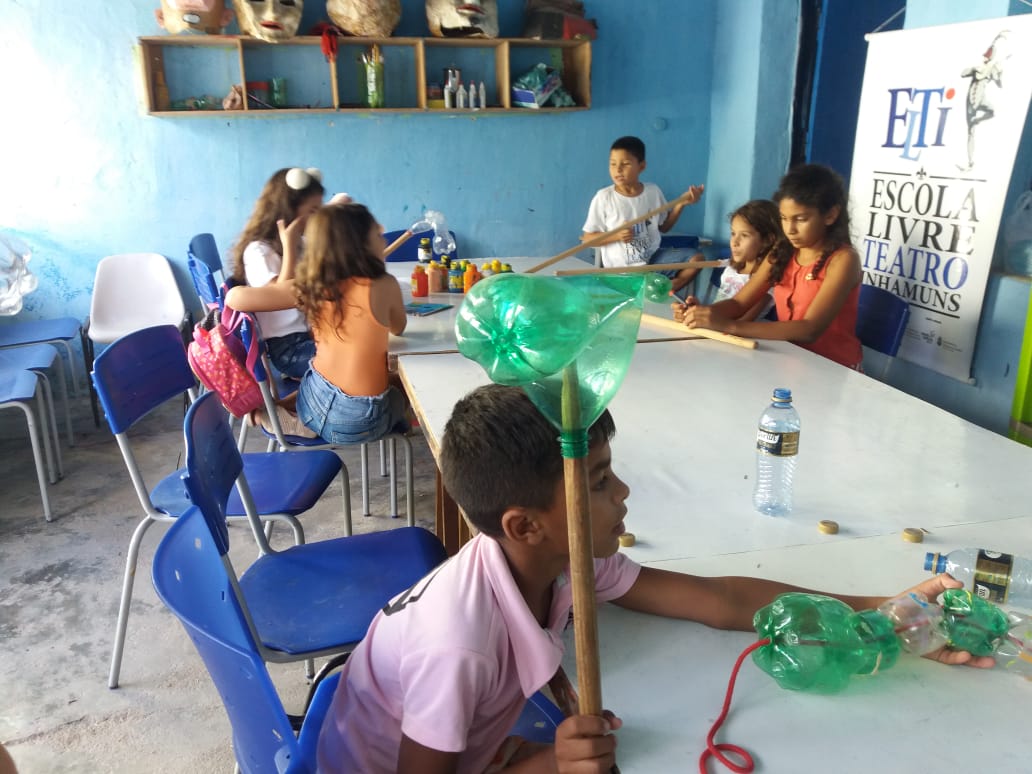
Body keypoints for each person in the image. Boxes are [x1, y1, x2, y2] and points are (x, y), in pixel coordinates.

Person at [316, 384, 989, 774]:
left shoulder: (567, 556)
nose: (624, 493)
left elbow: (719, 599)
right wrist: (547, 764)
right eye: (599, 482)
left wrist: (880, 605)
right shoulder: (459, 646)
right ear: (526, 525)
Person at [225, 201, 409, 444]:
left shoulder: (314, 286)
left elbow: (233, 298)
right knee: (404, 388)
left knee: (335, 379)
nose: (383, 238)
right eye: (377, 233)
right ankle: (301, 417)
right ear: (360, 245)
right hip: (358, 422)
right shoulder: (385, 284)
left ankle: (292, 415)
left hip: (312, 398)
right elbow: (398, 327)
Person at [675, 163, 864, 369]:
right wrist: (701, 314)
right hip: (789, 359)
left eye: (801, 219)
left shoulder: (843, 260)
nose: (790, 229)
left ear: (830, 215)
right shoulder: (782, 252)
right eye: (784, 218)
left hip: (834, 368)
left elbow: (809, 329)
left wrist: (730, 326)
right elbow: (739, 303)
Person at [229, 167, 325, 380]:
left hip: (311, 334)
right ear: (288, 211)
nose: (318, 217)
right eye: (313, 211)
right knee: (360, 358)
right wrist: (289, 247)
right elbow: (281, 296)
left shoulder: (301, 242)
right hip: (290, 350)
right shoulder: (259, 252)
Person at [581, 135, 704, 296]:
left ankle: (669, 287)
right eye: (613, 164)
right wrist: (616, 236)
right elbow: (587, 239)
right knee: (635, 290)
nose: (618, 170)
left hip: (652, 262)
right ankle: (648, 288)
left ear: (642, 166)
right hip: (621, 272)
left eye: (625, 164)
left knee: (697, 259)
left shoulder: (653, 191)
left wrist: (681, 204)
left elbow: (664, 227)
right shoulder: (604, 197)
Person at [676, 199, 781, 321]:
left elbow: (741, 323)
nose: (734, 242)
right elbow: (717, 310)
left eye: (744, 235)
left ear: (767, 240)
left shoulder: (765, 283)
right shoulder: (731, 270)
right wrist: (696, 310)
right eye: (733, 233)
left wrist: (703, 318)